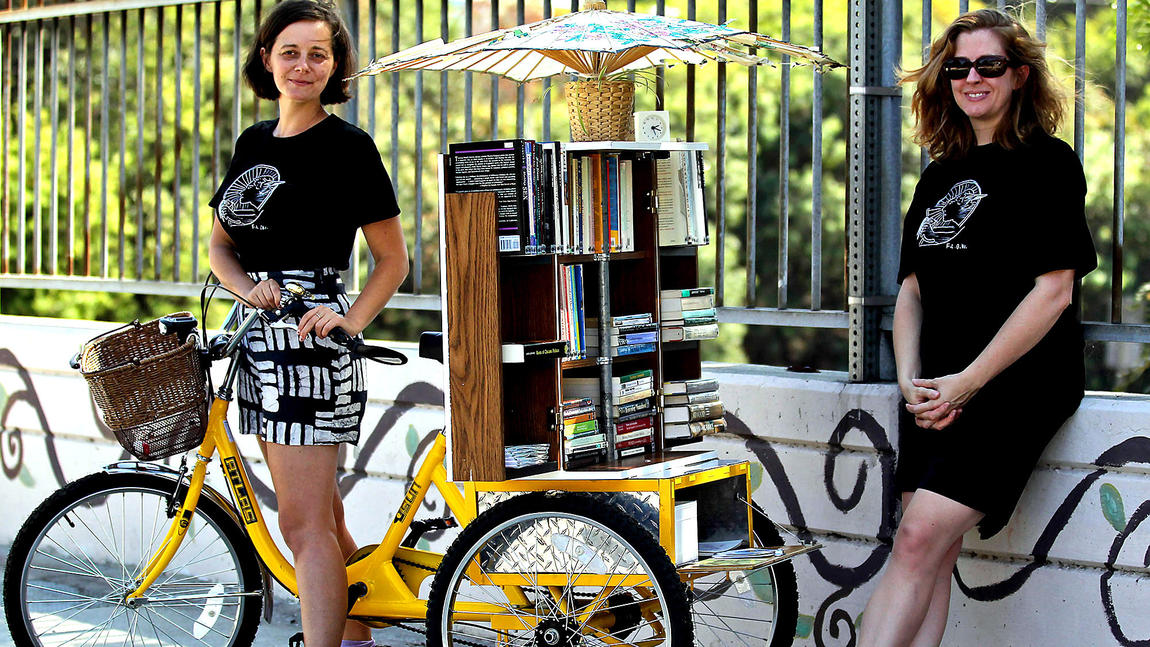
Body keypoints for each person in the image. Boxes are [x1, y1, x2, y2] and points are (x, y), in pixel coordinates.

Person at [857, 9, 1096, 647]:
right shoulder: (940, 173)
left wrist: (966, 384)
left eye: (988, 65)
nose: (972, 78)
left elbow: (1054, 292)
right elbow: (912, 291)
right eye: (959, 67)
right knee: (931, 552)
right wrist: (913, 382)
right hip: (936, 390)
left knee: (915, 540)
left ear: (1018, 75)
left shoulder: (1048, 164)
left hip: (1015, 385)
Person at [207, 1, 408, 646]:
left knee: (302, 526)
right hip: (256, 340)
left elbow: (392, 262)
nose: (303, 65)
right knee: (322, 511)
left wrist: (347, 318)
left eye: (317, 53)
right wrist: (249, 290)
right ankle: (355, 631)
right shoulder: (252, 143)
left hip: (311, 346)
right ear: (266, 59)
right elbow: (220, 247)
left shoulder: (350, 149)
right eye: (289, 52)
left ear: (335, 64)